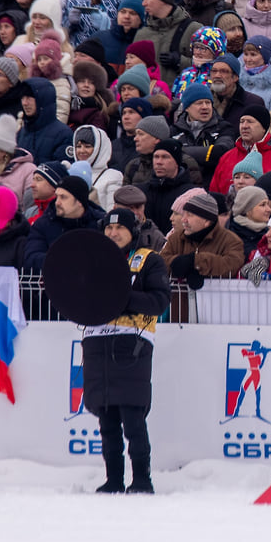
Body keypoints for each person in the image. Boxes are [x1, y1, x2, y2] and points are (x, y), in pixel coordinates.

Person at [84, 208, 170, 494]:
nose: (113, 234)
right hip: (97, 344)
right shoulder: (94, 261)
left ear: (133, 231)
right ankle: (113, 480)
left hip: (132, 345)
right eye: (108, 229)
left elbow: (158, 302)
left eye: (119, 228)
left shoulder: (149, 261)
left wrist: (117, 297)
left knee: (133, 419)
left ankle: (142, 480)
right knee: (106, 418)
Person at [161, 192, 246, 287]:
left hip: (216, 299)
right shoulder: (176, 238)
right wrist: (177, 262)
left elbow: (232, 265)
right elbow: (161, 262)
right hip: (181, 300)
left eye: (190, 215)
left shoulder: (230, 240)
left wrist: (196, 261)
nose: (183, 220)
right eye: (184, 214)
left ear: (207, 221)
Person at [26, 176, 107, 271]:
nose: (57, 202)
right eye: (57, 197)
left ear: (79, 202)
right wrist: (64, 260)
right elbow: (31, 258)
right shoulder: (43, 224)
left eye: (63, 197)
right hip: (54, 281)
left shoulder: (100, 223)